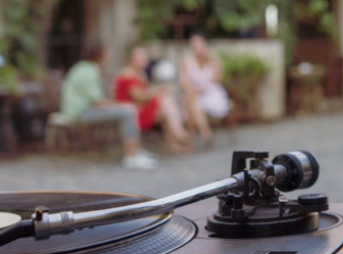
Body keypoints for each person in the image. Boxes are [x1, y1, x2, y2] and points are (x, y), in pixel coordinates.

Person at [60, 41, 156, 170]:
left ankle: (135, 151)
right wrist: (117, 104)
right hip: (80, 112)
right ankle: (131, 156)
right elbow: (97, 101)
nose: (110, 54)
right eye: (107, 51)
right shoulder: (88, 70)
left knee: (128, 109)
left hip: (82, 109)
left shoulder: (86, 67)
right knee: (128, 110)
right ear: (99, 54)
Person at [114, 46, 191, 154]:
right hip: (133, 113)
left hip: (139, 108)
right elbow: (139, 96)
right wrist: (158, 90)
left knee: (165, 108)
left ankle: (174, 142)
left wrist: (157, 90)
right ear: (132, 59)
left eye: (144, 59)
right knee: (165, 99)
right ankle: (179, 134)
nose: (144, 61)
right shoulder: (127, 75)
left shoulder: (139, 73)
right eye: (141, 59)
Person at [179, 33, 231, 147]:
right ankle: (205, 131)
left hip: (212, 95)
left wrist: (212, 61)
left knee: (191, 102)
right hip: (194, 94)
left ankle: (191, 137)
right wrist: (194, 89)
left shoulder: (214, 60)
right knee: (193, 100)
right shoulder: (187, 62)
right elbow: (184, 83)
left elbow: (217, 80)